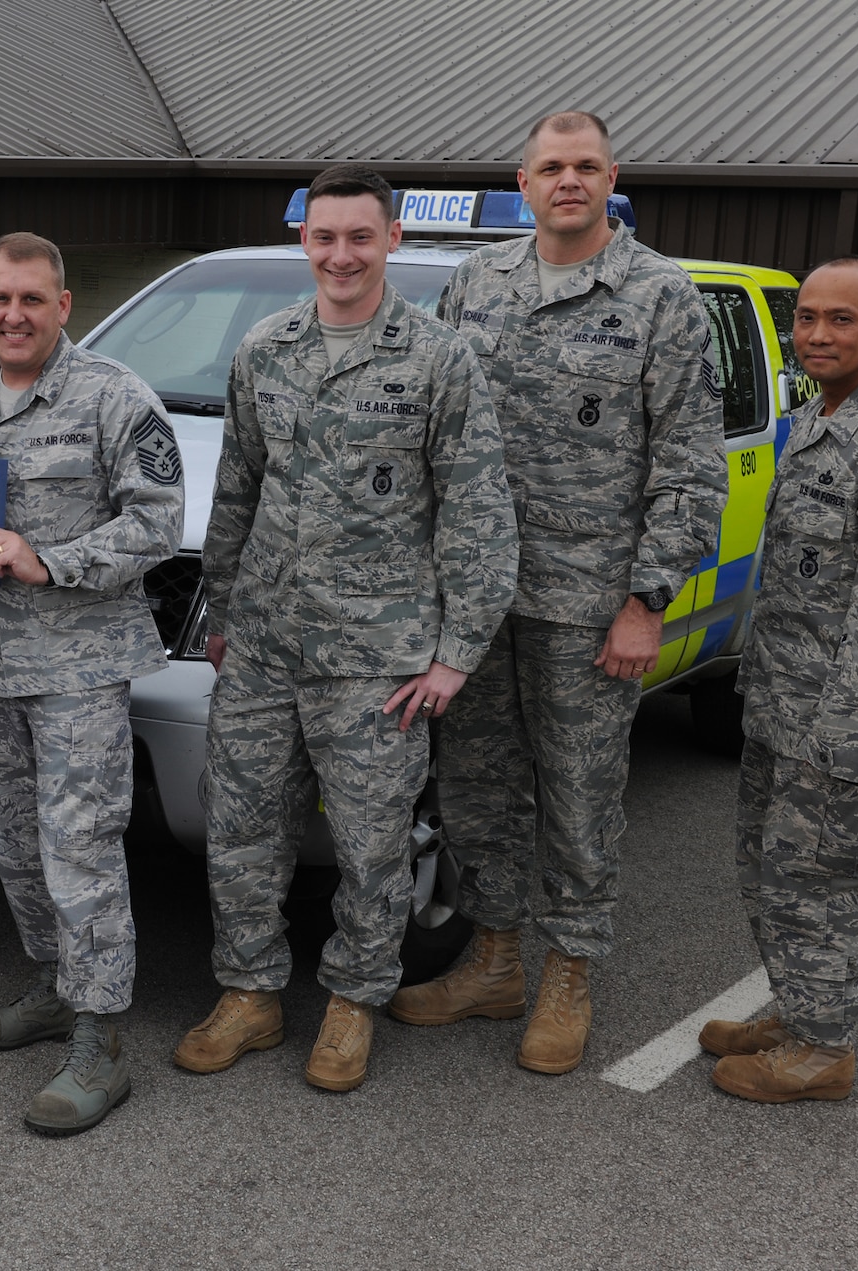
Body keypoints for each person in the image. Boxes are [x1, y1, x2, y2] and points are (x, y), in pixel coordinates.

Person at [388, 111, 728, 1076]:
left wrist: (647, 601)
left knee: (579, 794)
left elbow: (690, 465)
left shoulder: (660, 295)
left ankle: (569, 971)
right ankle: (495, 961)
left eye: (585, 166)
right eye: (550, 167)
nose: (567, 180)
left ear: (612, 179)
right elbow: (432, 432)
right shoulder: (475, 282)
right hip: (476, 600)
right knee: (476, 785)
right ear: (524, 182)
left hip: (589, 605)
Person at [170, 165, 518, 1092]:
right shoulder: (265, 348)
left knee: (371, 844)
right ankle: (249, 992)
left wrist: (456, 655)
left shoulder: (439, 359)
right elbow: (238, 488)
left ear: (391, 239)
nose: (341, 255)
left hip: (378, 658)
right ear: (305, 241)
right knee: (242, 827)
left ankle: (354, 1000)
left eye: (360, 236)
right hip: (264, 644)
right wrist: (223, 608)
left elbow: (478, 512)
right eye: (324, 237)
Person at [0, 232, 184, 1134]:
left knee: (80, 848)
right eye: (0, 298)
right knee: (16, 843)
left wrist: (52, 559)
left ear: (63, 306)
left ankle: (101, 1036)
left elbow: (158, 524)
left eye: (32, 299)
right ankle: (53, 985)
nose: (15, 315)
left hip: (80, 668)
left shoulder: (114, 395)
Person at [700, 258, 858, 1103]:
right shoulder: (817, 417)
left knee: (824, 882)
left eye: (841, 319)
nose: (816, 334)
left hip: (841, 722)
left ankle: (823, 1049)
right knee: (770, 871)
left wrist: (845, 742)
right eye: (806, 318)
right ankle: (797, 1010)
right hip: (783, 699)